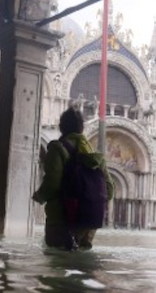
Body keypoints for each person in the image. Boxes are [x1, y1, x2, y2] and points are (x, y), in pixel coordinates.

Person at [32, 107, 114, 251]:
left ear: (61, 128)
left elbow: (52, 183)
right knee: (83, 265)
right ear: (82, 129)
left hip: (61, 218)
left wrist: (39, 196)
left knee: (57, 262)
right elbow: (110, 190)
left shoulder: (57, 149)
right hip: (89, 221)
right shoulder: (95, 156)